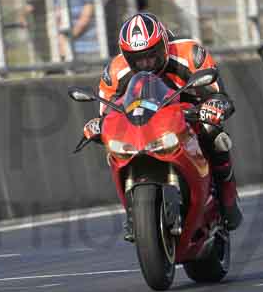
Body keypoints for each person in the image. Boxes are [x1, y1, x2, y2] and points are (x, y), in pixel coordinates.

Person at [82, 12, 242, 242]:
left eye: (152, 55)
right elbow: (108, 114)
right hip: (144, 124)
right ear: (126, 56)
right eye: (137, 59)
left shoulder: (190, 54)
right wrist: (97, 126)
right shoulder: (115, 71)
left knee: (214, 134)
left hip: (189, 115)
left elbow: (220, 95)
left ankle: (228, 198)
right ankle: (133, 213)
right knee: (113, 151)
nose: (146, 63)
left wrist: (213, 106)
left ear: (164, 44)